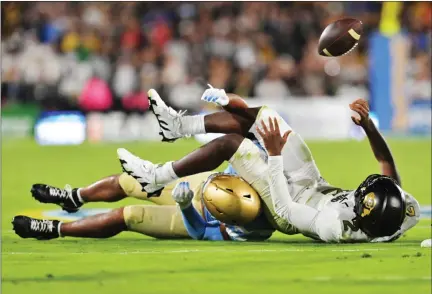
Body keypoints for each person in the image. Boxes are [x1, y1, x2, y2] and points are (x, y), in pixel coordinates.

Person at [116, 88, 420, 243]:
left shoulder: (333, 225)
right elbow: (385, 160)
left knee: (232, 144)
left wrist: (273, 155)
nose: (359, 192)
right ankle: (179, 125)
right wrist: (367, 126)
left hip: (287, 204)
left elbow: (287, 210)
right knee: (268, 117)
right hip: (314, 184)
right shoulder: (399, 212)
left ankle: (157, 176)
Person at [12, 170, 274, 242]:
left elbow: (203, 232)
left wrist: (185, 207)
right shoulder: (266, 174)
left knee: (131, 215)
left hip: (194, 213)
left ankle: (55, 229)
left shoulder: (251, 230)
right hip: (201, 184)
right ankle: (75, 198)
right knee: (131, 181)